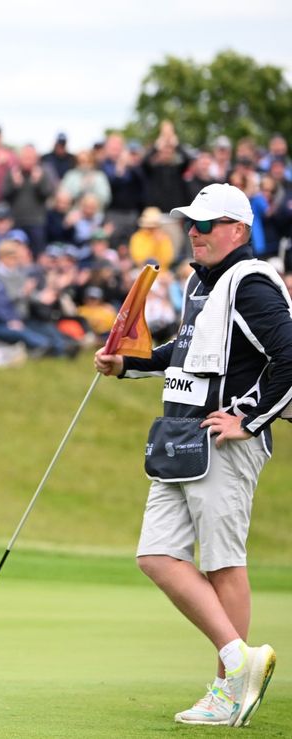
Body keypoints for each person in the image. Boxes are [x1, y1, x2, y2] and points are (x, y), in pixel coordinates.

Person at [94, 183, 288, 727]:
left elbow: (290, 357)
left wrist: (249, 420)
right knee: (156, 555)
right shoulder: (201, 283)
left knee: (222, 562)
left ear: (238, 231)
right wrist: (129, 365)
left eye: (206, 224)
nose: (194, 233)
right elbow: (185, 352)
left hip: (224, 442)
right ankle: (237, 659)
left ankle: (230, 693)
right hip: (179, 438)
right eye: (191, 224)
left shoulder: (250, 283)